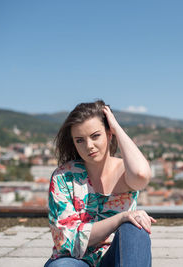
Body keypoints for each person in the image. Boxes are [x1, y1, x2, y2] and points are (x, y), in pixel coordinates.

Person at [44, 100, 156, 267]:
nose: (89, 146)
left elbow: (141, 174)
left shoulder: (125, 171)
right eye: (80, 140)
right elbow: (67, 240)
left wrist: (117, 128)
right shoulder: (64, 177)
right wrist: (120, 218)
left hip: (118, 259)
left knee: (135, 228)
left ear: (109, 134)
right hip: (76, 260)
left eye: (95, 136)